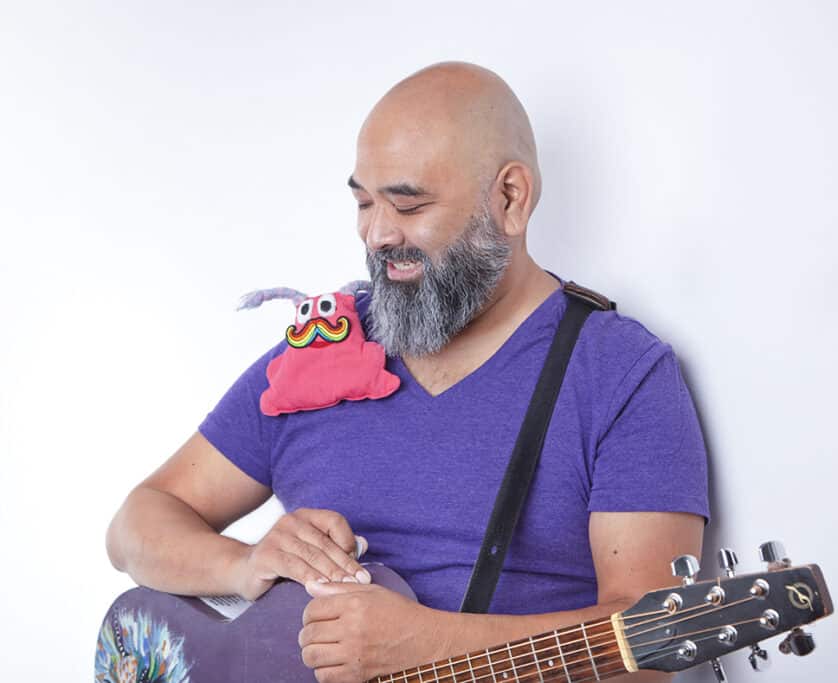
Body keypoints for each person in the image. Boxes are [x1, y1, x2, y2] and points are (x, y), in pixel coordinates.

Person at [105, 61, 709, 683]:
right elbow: (136, 525)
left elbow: (654, 643)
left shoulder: (619, 375)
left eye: (409, 204)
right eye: (363, 202)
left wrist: (433, 645)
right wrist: (244, 564)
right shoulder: (322, 350)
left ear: (510, 198)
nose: (377, 233)